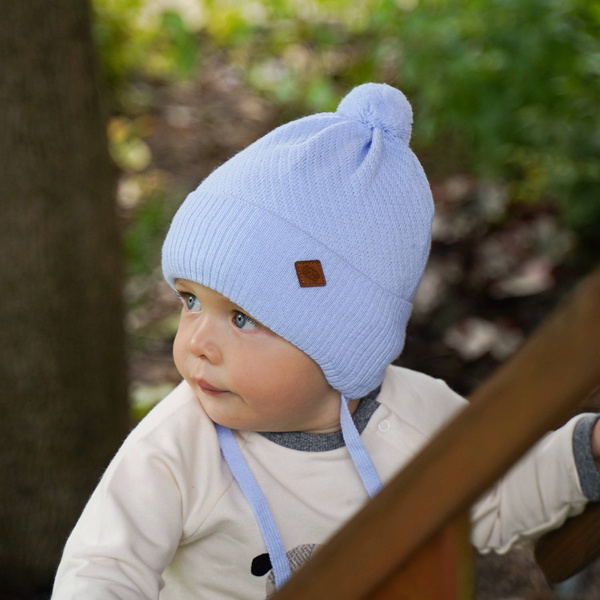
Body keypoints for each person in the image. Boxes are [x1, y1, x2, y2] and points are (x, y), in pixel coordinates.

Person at [52, 83, 600, 600]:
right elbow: (103, 569)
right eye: (190, 301)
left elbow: (502, 491)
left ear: (340, 343)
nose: (197, 342)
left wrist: (589, 449)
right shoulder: (176, 447)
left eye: (241, 317)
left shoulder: (415, 416)